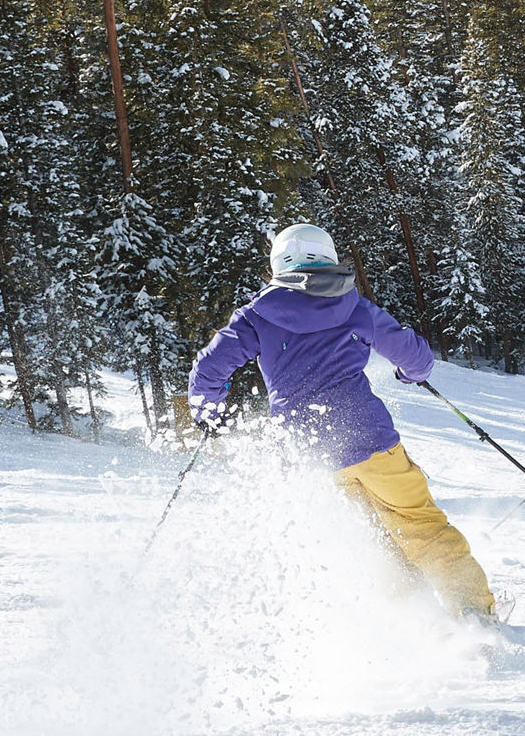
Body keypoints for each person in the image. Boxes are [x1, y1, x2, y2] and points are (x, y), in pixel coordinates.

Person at [190, 224, 495, 620]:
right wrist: (409, 374)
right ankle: (473, 615)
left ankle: (416, 623)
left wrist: (210, 414)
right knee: (422, 528)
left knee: (371, 540)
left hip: (307, 456)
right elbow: (417, 359)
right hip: (371, 442)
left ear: (277, 264)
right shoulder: (355, 308)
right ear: (330, 258)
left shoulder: (256, 316)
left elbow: (208, 370)